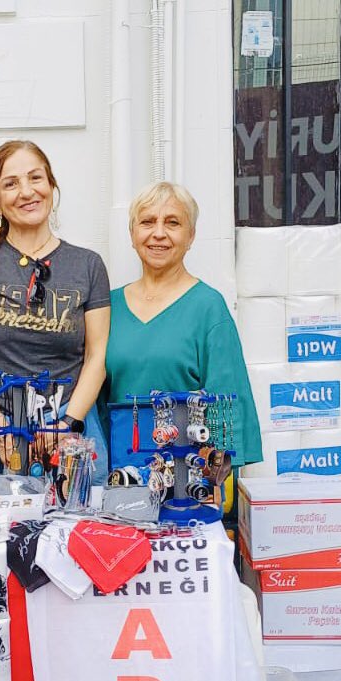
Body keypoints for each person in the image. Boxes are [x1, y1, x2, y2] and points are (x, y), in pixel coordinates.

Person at [0, 140, 110, 485]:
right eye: (10, 184)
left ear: (51, 185)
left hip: (72, 431)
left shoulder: (88, 265)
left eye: (35, 178)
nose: (26, 192)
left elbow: (96, 358)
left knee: (76, 533)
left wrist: (68, 425)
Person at [104, 181, 262, 467]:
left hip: (187, 477)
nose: (159, 233)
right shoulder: (108, 306)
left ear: (191, 236)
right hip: (121, 475)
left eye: (173, 222)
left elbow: (227, 407)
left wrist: (214, 484)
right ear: (132, 233)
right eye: (147, 222)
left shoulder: (208, 307)